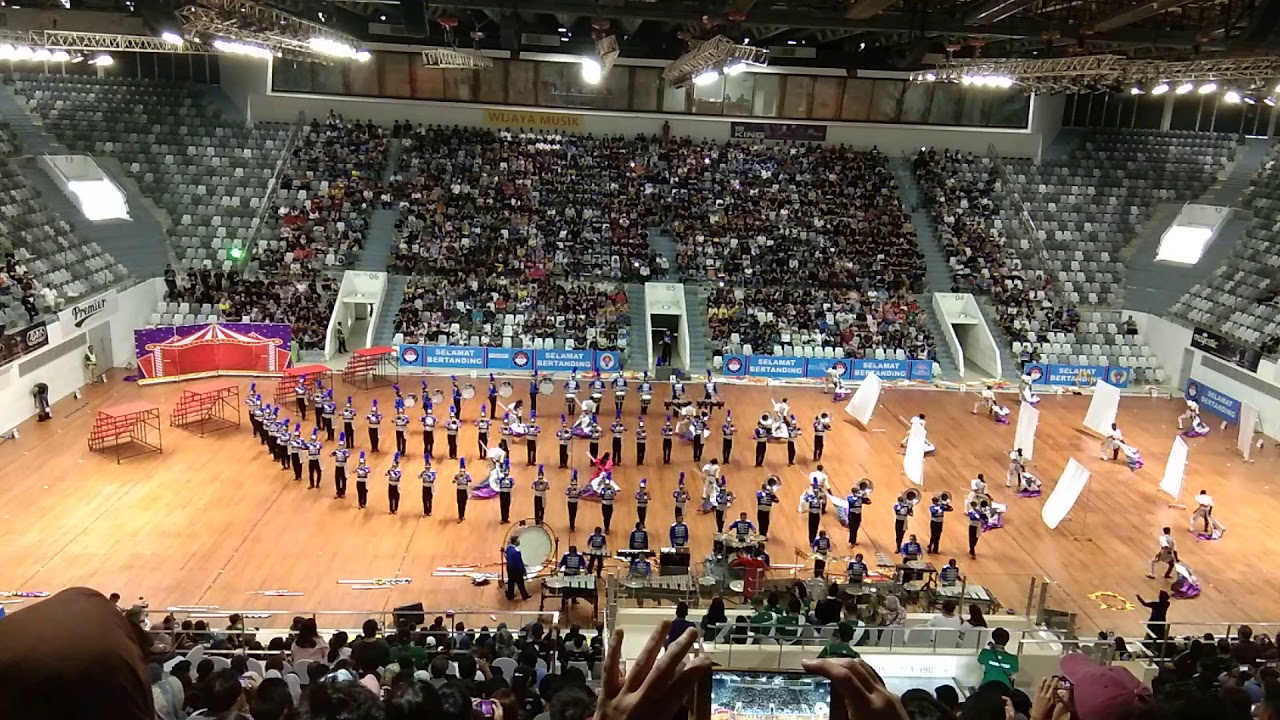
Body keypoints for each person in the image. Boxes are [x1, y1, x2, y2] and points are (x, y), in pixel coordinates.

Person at [505, 537, 531, 601]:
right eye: (518, 540)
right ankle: (524, 596)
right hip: (516, 569)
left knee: (511, 582)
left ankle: (510, 596)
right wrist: (523, 571)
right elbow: (519, 562)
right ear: (515, 542)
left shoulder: (508, 548)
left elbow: (506, 556)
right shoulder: (517, 551)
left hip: (509, 567)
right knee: (520, 583)